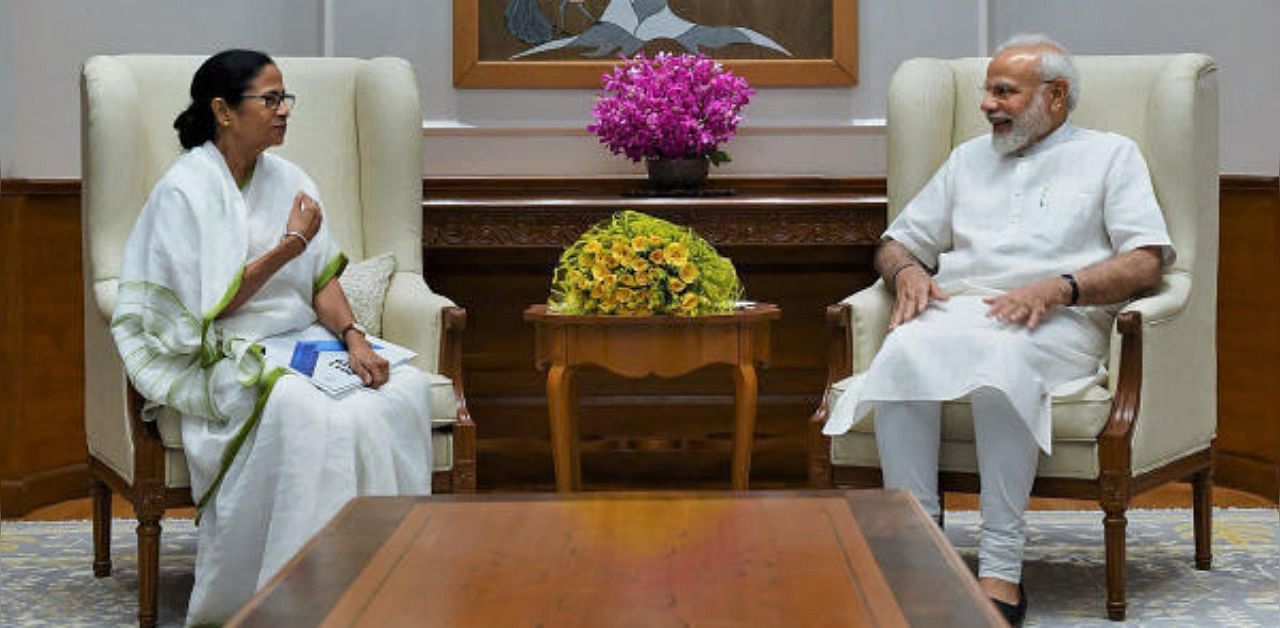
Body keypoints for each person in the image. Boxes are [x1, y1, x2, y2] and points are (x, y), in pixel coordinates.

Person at [822, 35, 1174, 626]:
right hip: (960, 312)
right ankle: (917, 553)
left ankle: (1000, 571)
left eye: (1003, 91)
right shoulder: (967, 158)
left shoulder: (1112, 156)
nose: (986, 104)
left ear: (1057, 96)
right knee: (904, 347)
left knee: (999, 367)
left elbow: (1146, 260)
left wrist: (1060, 287)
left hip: (1057, 320)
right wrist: (906, 270)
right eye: (987, 90)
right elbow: (897, 242)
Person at [111, 49, 441, 624]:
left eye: (285, 98)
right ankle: (296, 599)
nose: (284, 110)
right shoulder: (183, 191)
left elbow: (321, 279)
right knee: (313, 415)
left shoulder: (290, 179)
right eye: (270, 99)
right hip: (222, 351)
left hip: (300, 339)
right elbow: (204, 310)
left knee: (398, 393)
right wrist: (288, 244)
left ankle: (385, 582)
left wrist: (355, 337)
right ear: (223, 110)